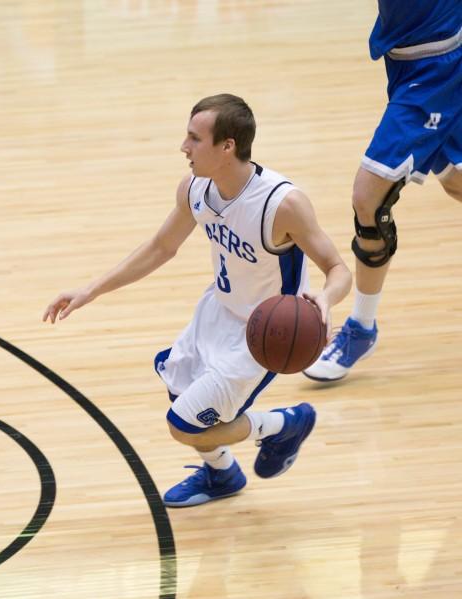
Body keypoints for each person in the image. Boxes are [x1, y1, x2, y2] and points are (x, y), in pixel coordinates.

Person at [43, 94, 351, 507]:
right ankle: (222, 475)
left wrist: (326, 299)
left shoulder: (282, 204)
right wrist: (90, 289)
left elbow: (339, 269)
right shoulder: (196, 188)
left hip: (263, 333)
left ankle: (282, 425)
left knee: (184, 425)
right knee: (180, 393)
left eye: (194, 138)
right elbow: (160, 247)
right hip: (218, 310)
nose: (183, 147)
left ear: (227, 147)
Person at [304, 1, 462, 382]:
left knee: (368, 198)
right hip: (407, 60)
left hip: (440, 66)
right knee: (456, 180)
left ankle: (361, 327)